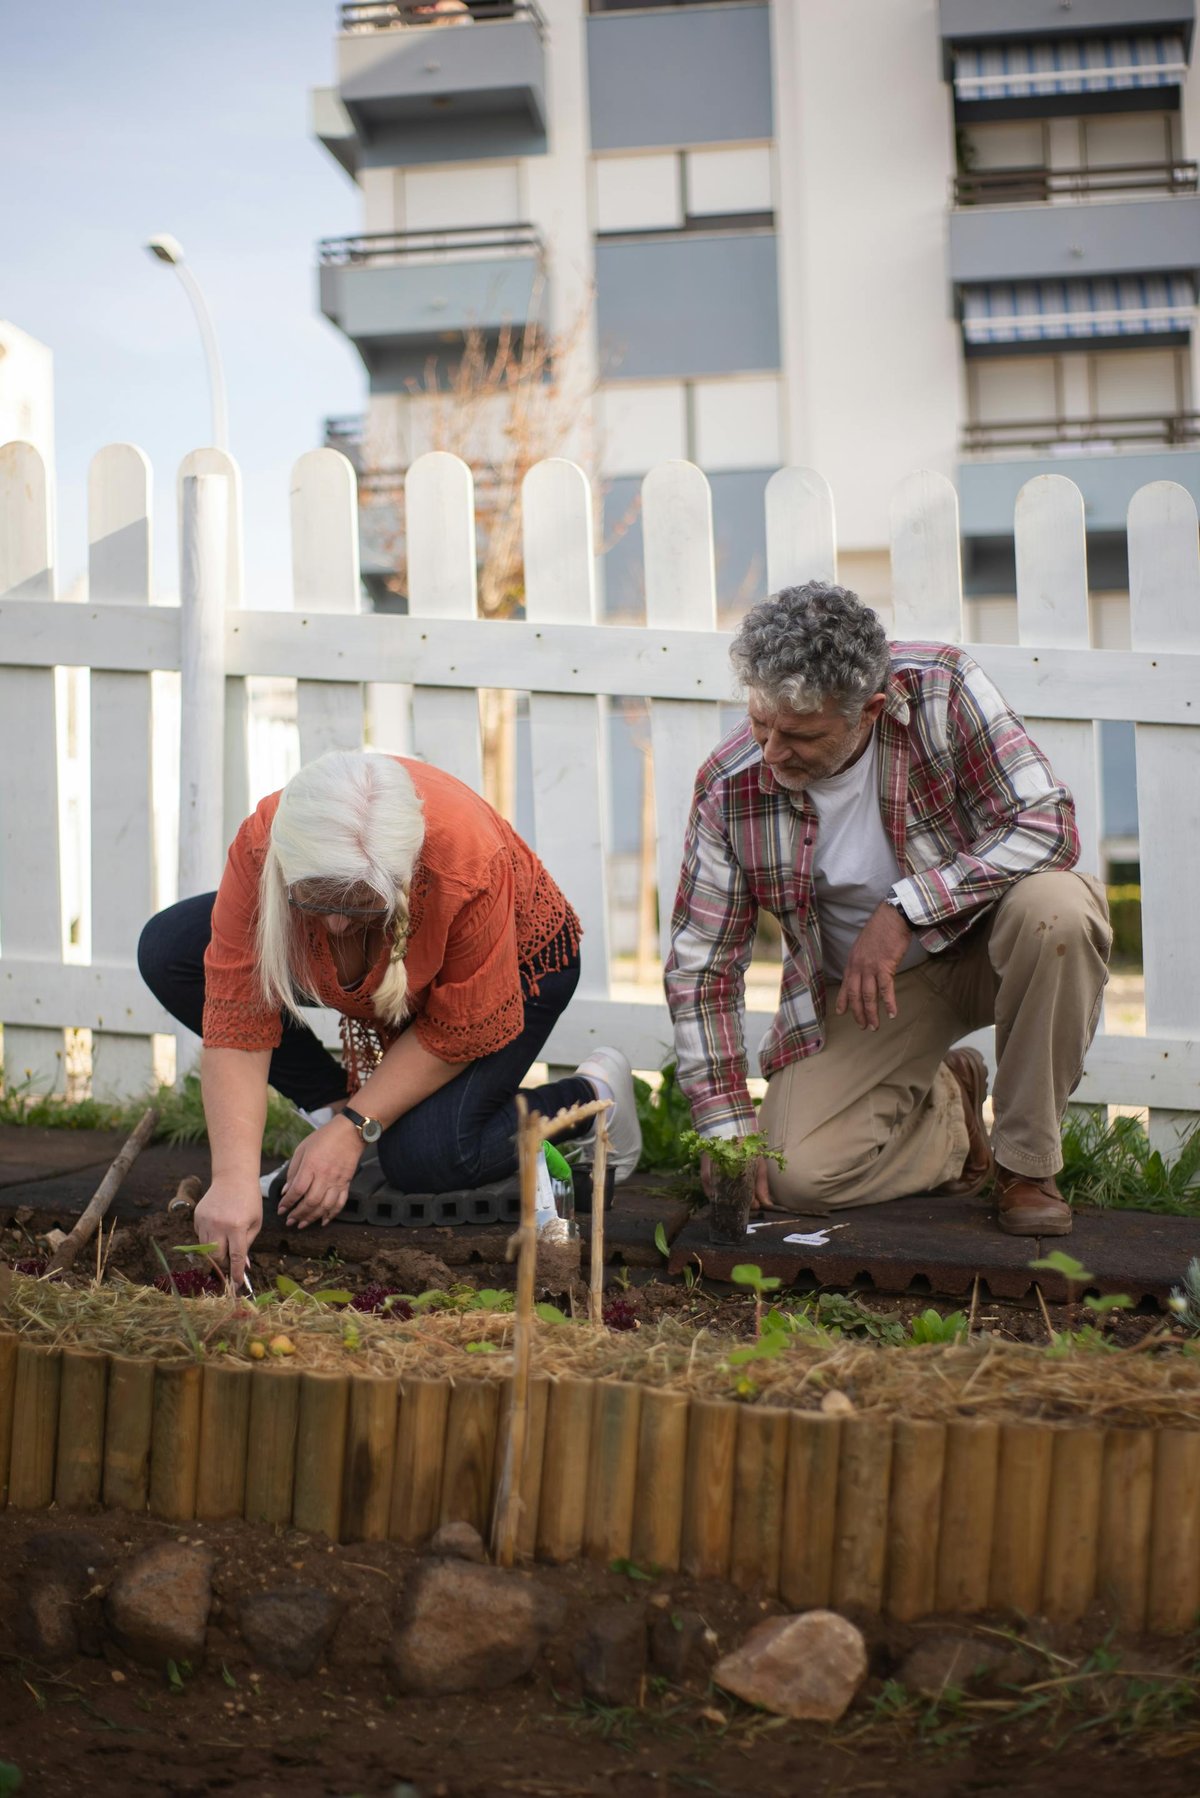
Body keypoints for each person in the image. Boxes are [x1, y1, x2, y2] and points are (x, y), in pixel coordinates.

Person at [664, 582, 1111, 1237]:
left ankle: (1026, 1166)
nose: (772, 754)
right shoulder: (728, 786)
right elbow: (702, 966)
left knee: (1062, 911)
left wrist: (906, 909)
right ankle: (952, 1116)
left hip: (994, 945)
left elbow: (1048, 824)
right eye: (762, 723)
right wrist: (726, 1125)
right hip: (875, 992)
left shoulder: (942, 688)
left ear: (870, 710)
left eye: (801, 735)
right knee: (795, 1176)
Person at [139, 750, 640, 1283]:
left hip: (514, 968)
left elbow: (453, 1030)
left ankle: (591, 1099)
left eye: (355, 907)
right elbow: (239, 1013)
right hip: (389, 952)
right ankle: (332, 1112)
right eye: (316, 901)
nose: (332, 925)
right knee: (172, 949)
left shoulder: (464, 860)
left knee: (427, 1158)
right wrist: (233, 1179)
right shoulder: (267, 840)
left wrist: (359, 1131)